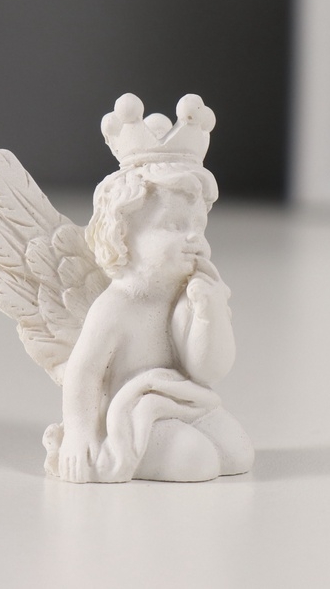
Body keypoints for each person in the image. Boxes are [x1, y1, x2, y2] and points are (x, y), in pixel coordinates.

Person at [44, 161, 254, 482]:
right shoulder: (114, 307)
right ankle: (129, 452)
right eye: (174, 225)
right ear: (122, 236)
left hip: (185, 401)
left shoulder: (187, 296)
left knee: (238, 453)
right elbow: (83, 372)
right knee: (196, 460)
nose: (194, 238)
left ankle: (178, 443)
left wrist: (209, 311)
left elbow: (207, 370)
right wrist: (79, 433)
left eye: (199, 227)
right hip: (132, 415)